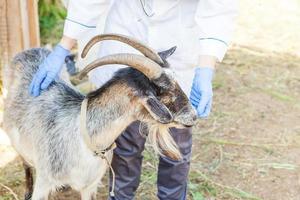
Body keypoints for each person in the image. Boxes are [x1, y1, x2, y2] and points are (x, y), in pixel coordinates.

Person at [29, 0, 238, 199]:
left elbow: (218, 8)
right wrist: (64, 45)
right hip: (127, 31)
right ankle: (120, 196)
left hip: (178, 44)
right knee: (124, 146)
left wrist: (206, 68)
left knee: (176, 144)